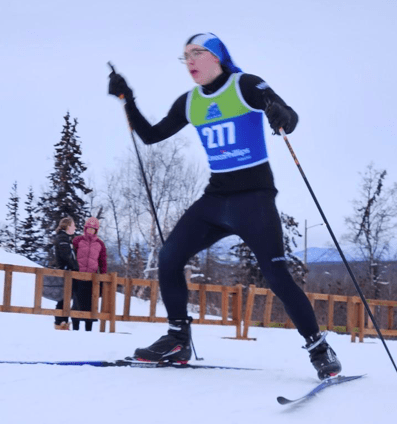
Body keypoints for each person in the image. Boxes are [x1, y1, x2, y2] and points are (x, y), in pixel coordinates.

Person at [108, 32, 342, 380]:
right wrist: (127, 98)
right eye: (184, 56)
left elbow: (288, 117)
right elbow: (152, 135)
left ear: (217, 56)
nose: (189, 60)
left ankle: (319, 348)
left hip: (254, 199)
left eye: (197, 53)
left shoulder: (245, 85)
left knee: (277, 275)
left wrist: (279, 114)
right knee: (169, 258)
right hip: (215, 201)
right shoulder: (189, 102)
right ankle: (177, 339)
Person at [71, 217, 107, 331]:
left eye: (93, 229)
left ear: (96, 231)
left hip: (92, 279)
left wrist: (103, 276)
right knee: (77, 303)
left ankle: (88, 330)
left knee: (90, 305)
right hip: (78, 277)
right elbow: (71, 256)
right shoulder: (77, 240)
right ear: (85, 228)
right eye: (89, 228)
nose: (90, 231)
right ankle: (75, 329)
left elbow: (103, 262)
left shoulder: (100, 244)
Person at [53, 216, 79, 330]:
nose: (75, 227)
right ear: (68, 226)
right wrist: (76, 267)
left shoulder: (65, 238)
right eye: (73, 225)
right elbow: (66, 256)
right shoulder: (63, 238)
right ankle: (61, 323)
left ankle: (62, 322)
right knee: (63, 298)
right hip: (65, 272)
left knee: (65, 298)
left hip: (66, 271)